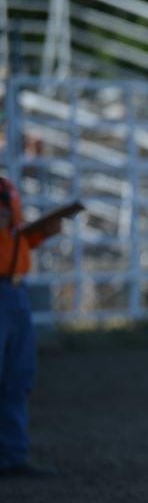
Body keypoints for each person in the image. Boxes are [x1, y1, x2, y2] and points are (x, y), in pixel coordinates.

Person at [0, 176, 62, 477]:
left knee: (18, 375)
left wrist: (41, 233)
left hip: (15, 289)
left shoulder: (7, 187)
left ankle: (13, 454)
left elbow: (15, 239)